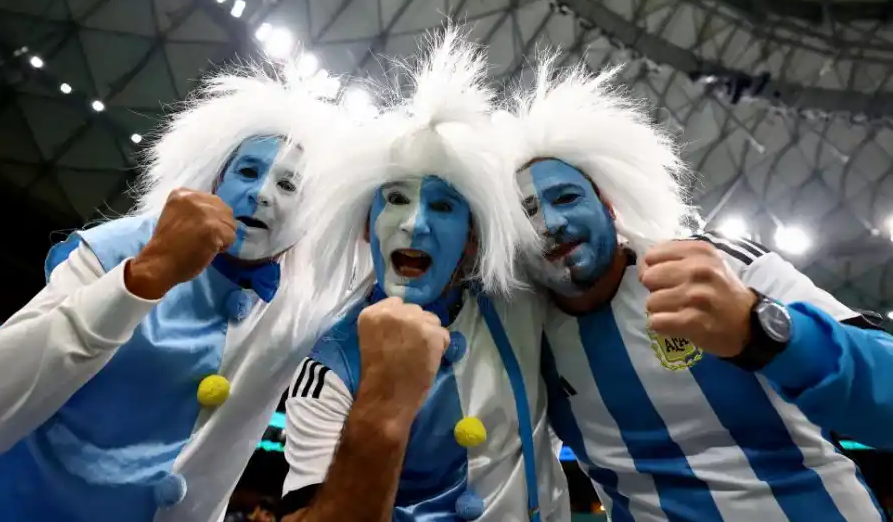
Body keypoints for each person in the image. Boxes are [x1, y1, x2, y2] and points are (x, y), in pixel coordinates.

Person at [496, 59, 893, 521]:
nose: (552, 223)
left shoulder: (716, 262)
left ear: (609, 206)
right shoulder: (525, 331)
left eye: (566, 198)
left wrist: (763, 331)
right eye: (526, 214)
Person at [0, 58, 360, 522]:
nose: (262, 194)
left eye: (289, 185)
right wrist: (141, 278)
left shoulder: (305, 304)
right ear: (213, 181)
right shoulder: (119, 247)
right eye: (247, 172)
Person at [278, 30, 569, 522]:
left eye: (442, 205)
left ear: (472, 239)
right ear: (366, 227)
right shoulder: (329, 365)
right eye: (394, 199)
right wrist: (383, 405)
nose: (415, 223)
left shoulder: (521, 301)